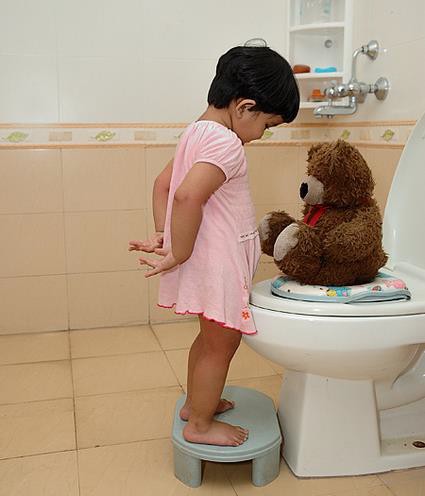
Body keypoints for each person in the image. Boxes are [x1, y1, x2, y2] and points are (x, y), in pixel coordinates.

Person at [129, 45, 299, 447]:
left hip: (205, 258)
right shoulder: (226, 143)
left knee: (208, 340)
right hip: (215, 262)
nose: (263, 135)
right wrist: (180, 250)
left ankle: (195, 405)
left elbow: (164, 185)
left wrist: (164, 233)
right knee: (221, 345)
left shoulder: (194, 132)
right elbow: (188, 197)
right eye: (268, 125)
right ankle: (200, 425)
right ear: (245, 107)